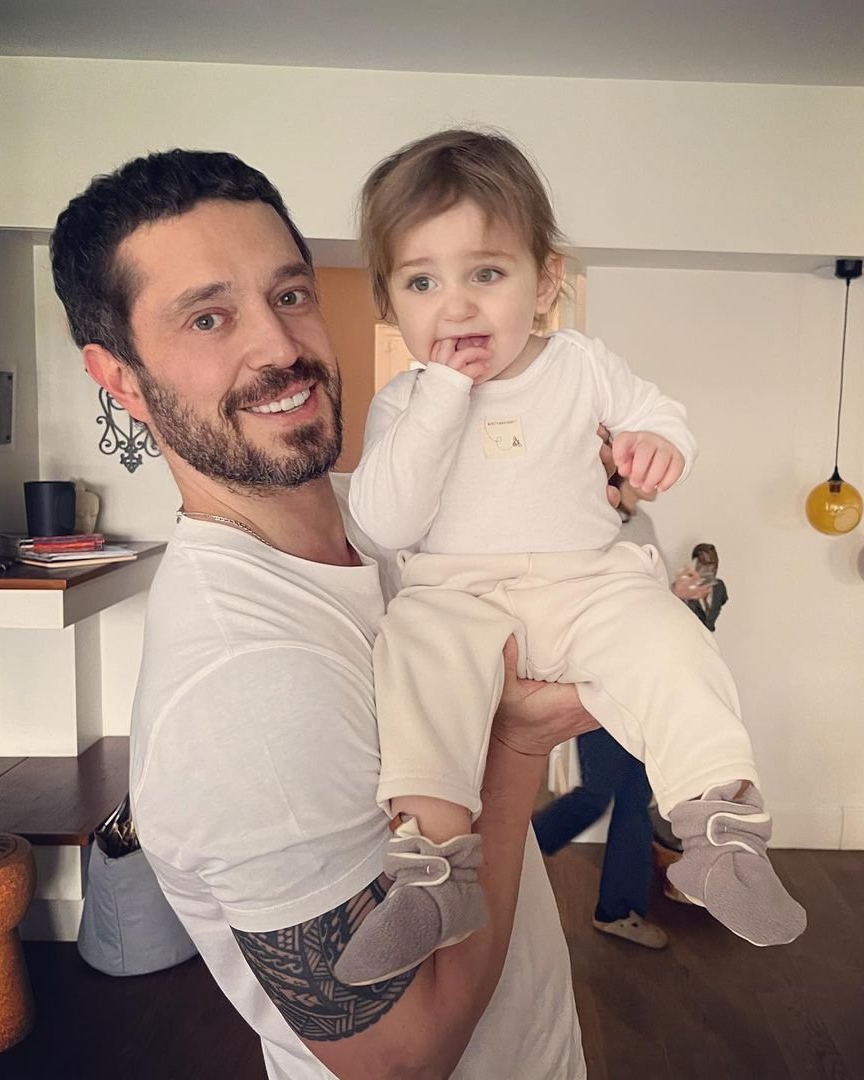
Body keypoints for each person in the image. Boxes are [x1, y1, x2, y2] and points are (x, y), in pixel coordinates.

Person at [48, 149, 596, 1080]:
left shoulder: (384, 519)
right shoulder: (245, 686)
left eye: (290, 294)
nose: (279, 346)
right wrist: (515, 748)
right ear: (122, 378)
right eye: (209, 317)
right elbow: (401, 1059)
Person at [341, 129, 805, 985]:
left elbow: (659, 413)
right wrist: (443, 395)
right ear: (389, 301)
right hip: (458, 596)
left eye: (486, 273)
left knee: (671, 642)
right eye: (422, 282)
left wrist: (656, 445)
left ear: (546, 281)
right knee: (412, 659)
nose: (456, 306)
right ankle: (433, 876)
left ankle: (721, 832)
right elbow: (379, 525)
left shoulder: (582, 364)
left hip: (588, 582)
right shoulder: (404, 403)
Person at [533, 478, 669, 951]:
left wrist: (679, 594)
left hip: (642, 676)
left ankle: (618, 911)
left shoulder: (642, 522)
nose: (656, 477)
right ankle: (509, 858)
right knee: (600, 792)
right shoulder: (590, 523)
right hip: (602, 676)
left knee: (633, 793)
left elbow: (647, 599)